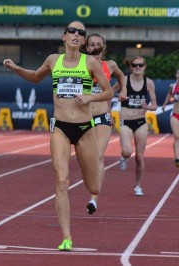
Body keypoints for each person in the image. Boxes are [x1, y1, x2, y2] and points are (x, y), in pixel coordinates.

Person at [3, 21, 113, 251]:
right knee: (61, 180)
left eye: (80, 33)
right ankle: (66, 237)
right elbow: (34, 77)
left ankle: (90, 183)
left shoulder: (90, 62)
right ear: (64, 37)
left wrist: (90, 98)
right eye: (71, 31)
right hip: (60, 127)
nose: (75, 34)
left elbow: (108, 91)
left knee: (94, 185)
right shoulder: (53, 60)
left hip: (84, 128)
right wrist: (15, 68)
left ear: (83, 41)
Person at [83, 33, 126, 215]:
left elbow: (121, 76)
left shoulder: (110, 65)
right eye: (91, 44)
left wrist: (120, 90)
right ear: (86, 47)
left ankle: (94, 198)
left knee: (98, 156)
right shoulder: (79, 65)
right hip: (82, 117)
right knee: (87, 159)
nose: (95, 47)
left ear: (104, 46)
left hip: (102, 116)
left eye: (98, 44)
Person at [113, 56, 157, 196]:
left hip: (140, 122)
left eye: (140, 65)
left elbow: (155, 105)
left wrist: (147, 107)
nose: (137, 67)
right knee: (127, 151)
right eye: (135, 65)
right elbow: (109, 92)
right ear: (131, 67)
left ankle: (138, 186)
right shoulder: (124, 80)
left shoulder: (149, 83)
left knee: (139, 157)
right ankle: (123, 156)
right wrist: (119, 96)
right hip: (125, 121)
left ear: (144, 66)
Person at [161, 68, 179, 167]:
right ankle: (177, 158)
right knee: (177, 136)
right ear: (176, 75)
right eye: (178, 73)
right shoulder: (172, 86)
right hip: (175, 115)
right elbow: (169, 94)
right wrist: (164, 104)